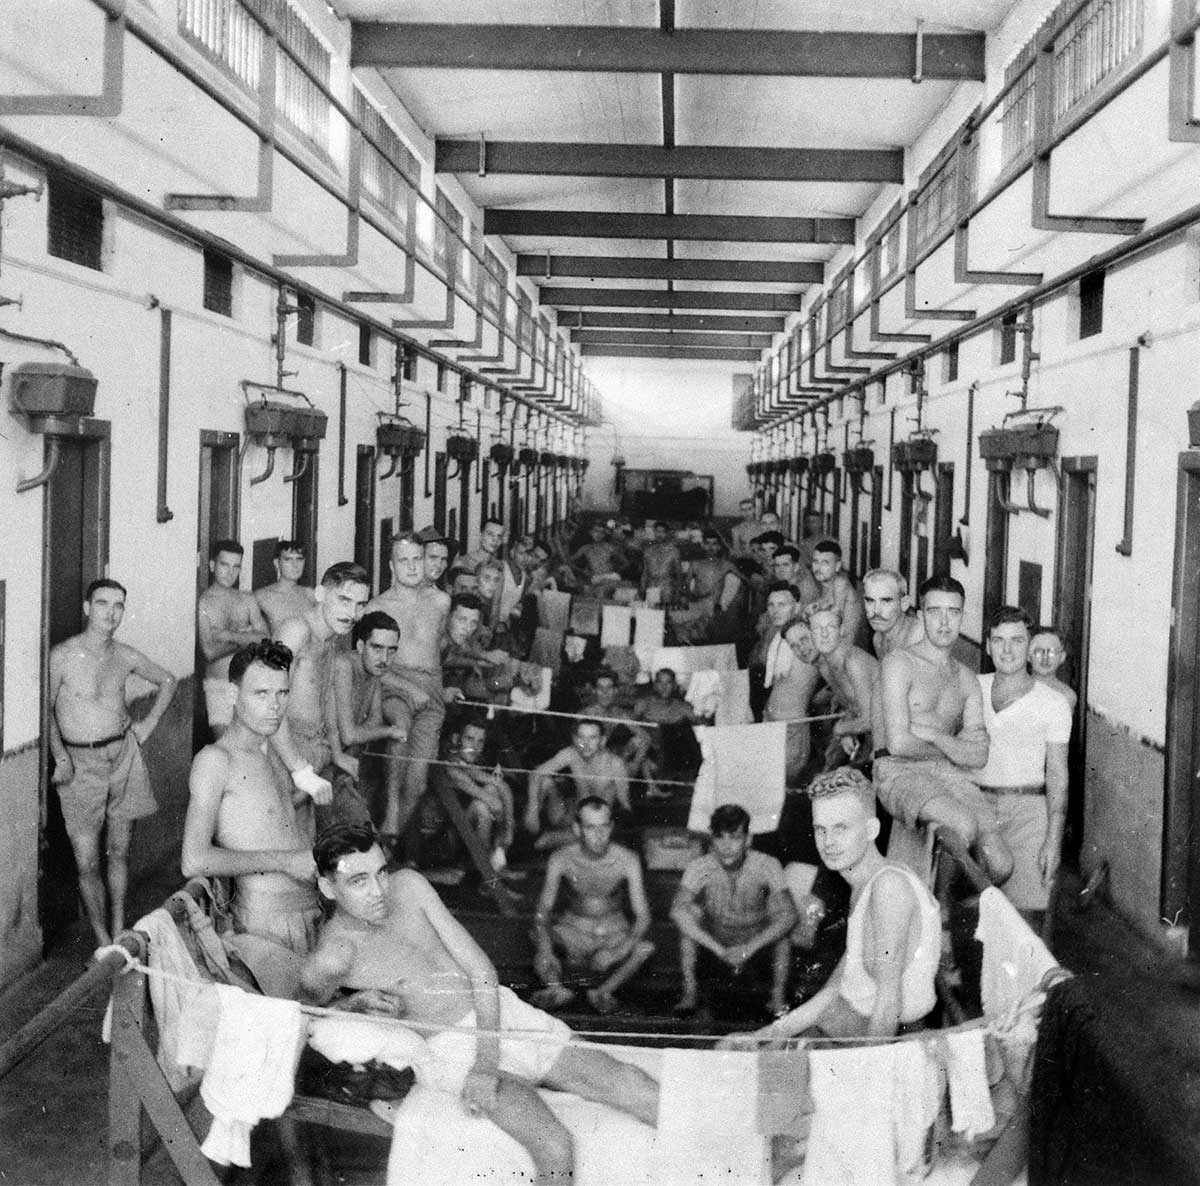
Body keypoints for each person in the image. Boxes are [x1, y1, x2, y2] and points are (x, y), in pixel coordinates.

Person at [301, 824, 660, 1184]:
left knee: (637, 1086)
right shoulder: (333, 956)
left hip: (498, 1011)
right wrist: (353, 1004)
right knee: (554, 1146)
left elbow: (481, 970)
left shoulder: (409, 886)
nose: (379, 891)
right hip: (450, 1049)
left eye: (381, 872)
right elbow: (299, 1013)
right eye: (359, 881)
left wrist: (487, 1059)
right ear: (328, 887)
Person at [728, 767, 940, 1043]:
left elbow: (888, 1004)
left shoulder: (888, 887)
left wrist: (867, 1079)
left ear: (871, 829)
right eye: (821, 829)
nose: (828, 843)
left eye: (841, 828)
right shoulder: (865, 886)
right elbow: (833, 991)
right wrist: (761, 1037)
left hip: (880, 1048)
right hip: (839, 1035)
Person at [48, 579, 177, 945]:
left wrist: (147, 724)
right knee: (87, 861)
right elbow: (47, 710)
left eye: (118, 605)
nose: (110, 612)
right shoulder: (64, 655)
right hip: (79, 761)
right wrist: (60, 756)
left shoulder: (125, 655)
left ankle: (120, 930)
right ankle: (103, 941)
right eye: (103, 603)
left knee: (119, 851)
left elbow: (168, 680)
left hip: (123, 755)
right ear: (88, 607)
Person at [181, 641, 321, 955]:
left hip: (307, 911)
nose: (275, 706)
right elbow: (193, 861)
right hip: (265, 923)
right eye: (261, 694)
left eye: (282, 693)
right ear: (232, 695)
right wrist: (286, 862)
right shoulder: (216, 760)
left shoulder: (269, 751)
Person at [875, 576, 1011, 882]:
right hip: (900, 771)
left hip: (949, 773)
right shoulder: (900, 663)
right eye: (935, 611)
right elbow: (899, 744)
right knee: (962, 825)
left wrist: (937, 736)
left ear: (963, 616)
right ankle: (942, 913)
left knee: (1002, 864)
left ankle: (957, 910)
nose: (945, 621)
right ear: (921, 615)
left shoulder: (966, 679)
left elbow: (978, 757)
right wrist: (956, 748)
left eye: (954, 612)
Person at [973, 607, 1072, 915]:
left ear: (1029, 648)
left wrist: (1053, 840)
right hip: (975, 808)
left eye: (1016, 640)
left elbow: (1057, 775)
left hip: (1028, 812)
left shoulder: (1054, 703)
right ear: (988, 645)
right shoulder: (971, 687)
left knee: (1024, 918)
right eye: (998, 640)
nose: (1006, 649)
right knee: (972, 914)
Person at [366, 531, 450, 861]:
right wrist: (408, 686)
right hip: (393, 684)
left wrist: (435, 685)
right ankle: (391, 808)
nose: (413, 567)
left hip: (431, 692)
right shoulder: (378, 606)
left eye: (418, 559)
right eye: (404, 560)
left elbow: (439, 645)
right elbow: (372, 664)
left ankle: (384, 850)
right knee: (399, 725)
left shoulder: (441, 601)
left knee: (417, 782)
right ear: (391, 565)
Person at [670, 804, 797, 1019]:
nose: (726, 846)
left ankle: (777, 997)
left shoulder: (767, 864)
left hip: (755, 941)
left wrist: (749, 948)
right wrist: (719, 950)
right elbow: (676, 911)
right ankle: (690, 991)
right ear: (712, 839)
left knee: (782, 924)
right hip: (716, 941)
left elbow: (790, 914)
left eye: (735, 837)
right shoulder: (699, 866)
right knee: (687, 914)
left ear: (748, 840)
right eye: (720, 837)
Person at [531, 797, 655, 1015]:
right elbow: (543, 910)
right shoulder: (561, 858)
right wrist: (545, 948)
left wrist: (619, 951)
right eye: (590, 827)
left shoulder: (627, 860)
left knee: (644, 949)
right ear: (577, 829)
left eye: (604, 826)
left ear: (611, 827)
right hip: (574, 932)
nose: (599, 835)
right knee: (537, 935)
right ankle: (556, 989)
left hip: (613, 933)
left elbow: (643, 915)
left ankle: (603, 992)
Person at [272, 562, 372, 827]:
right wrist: (298, 769)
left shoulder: (331, 638)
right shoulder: (296, 631)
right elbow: (269, 704)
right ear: (320, 594)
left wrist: (336, 752)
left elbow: (325, 696)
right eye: (344, 600)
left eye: (360, 605)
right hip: (281, 749)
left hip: (313, 750)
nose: (352, 613)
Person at [329, 611, 407, 821]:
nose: (384, 658)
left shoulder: (373, 671)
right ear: (361, 646)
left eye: (392, 651)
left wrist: (365, 731)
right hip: (320, 760)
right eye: (377, 648)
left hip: (343, 762)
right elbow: (349, 735)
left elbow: (375, 718)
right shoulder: (345, 665)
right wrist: (389, 731)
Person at [197, 539, 269, 736]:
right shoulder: (204, 603)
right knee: (226, 749)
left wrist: (229, 635)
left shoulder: (246, 599)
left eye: (236, 566)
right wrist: (245, 638)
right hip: (219, 686)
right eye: (224, 565)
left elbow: (265, 639)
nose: (230, 572)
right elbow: (209, 652)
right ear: (212, 566)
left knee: (255, 748)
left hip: (249, 684)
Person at [439, 717, 520, 885]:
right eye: (469, 738)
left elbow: (501, 785)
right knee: (481, 806)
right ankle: (488, 877)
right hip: (444, 842)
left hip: (467, 836)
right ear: (457, 739)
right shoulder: (450, 765)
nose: (475, 746)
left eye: (480, 741)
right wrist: (503, 820)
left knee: (491, 791)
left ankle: (496, 865)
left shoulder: (467, 764)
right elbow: (493, 804)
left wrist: (510, 830)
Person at [526, 719, 631, 847]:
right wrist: (532, 809)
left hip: (595, 825)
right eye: (581, 737)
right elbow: (536, 773)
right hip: (571, 815)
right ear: (575, 739)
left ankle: (557, 838)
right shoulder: (570, 753)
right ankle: (531, 834)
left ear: (602, 740)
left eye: (592, 738)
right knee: (544, 781)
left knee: (543, 843)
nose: (585, 743)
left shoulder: (615, 764)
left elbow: (625, 806)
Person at [806, 603, 879, 767]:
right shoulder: (826, 665)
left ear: (842, 630)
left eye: (831, 627)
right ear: (811, 634)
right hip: (868, 736)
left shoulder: (853, 662)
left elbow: (872, 719)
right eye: (817, 628)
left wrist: (842, 730)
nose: (824, 634)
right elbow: (851, 706)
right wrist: (847, 729)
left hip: (889, 738)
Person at [761, 585, 820, 783]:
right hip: (770, 718)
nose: (775, 610)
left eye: (782, 604)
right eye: (771, 605)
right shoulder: (779, 636)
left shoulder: (808, 637)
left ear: (796, 607)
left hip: (792, 726)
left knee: (783, 789)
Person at [255, 539, 317, 635]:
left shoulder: (310, 594)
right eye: (288, 559)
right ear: (277, 563)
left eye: (299, 559)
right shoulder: (261, 596)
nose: (295, 565)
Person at [810, 539, 864, 643]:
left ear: (838, 566)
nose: (818, 567)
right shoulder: (825, 587)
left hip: (846, 649)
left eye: (825, 563)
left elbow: (834, 618)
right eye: (815, 561)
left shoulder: (840, 583)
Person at [862, 568, 925, 658]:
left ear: (904, 603)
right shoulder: (878, 638)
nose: (876, 610)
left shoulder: (919, 636)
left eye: (886, 601)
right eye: (870, 601)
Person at [1029, 626, 1077, 711]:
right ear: (1028, 656)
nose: (1045, 658)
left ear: (1062, 657)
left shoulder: (1066, 695)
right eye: (1039, 651)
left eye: (1052, 652)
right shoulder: (1015, 690)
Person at [639, 521, 684, 606]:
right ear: (654, 533)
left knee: (665, 613)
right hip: (651, 585)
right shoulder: (648, 551)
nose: (659, 534)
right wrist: (642, 590)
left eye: (662, 532)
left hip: (667, 585)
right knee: (651, 613)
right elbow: (645, 573)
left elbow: (679, 574)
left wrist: (678, 593)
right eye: (657, 532)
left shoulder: (674, 551)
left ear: (667, 533)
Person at [571, 522, 623, 587]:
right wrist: (583, 572)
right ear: (591, 532)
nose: (598, 534)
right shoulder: (585, 548)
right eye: (596, 531)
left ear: (604, 534)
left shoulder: (610, 547)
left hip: (611, 576)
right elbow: (570, 561)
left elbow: (624, 562)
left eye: (601, 532)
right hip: (596, 578)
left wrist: (616, 571)